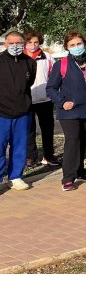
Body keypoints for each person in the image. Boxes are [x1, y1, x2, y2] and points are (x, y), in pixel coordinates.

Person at [45, 31, 86, 191]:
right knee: (72, 141)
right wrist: (62, 102)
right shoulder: (62, 64)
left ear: (84, 44)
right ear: (67, 47)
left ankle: (80, 171)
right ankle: (68, 178)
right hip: (70, 111)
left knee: (83, 140)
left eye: (79, 44)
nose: (76, 47)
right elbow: (50, 88)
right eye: (72, 45)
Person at [0, 31, 36, 190]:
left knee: (20, 146)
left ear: (23, 43)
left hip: (23, 112)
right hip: (1, 113)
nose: (15, 46)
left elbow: (30, 82)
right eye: (11, 43)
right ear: (5, 44)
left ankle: (16, 177)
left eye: (18, 43)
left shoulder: (29, 62)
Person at [23, 30, 59, 167]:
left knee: (48, 128)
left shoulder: (48, 57)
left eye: (36, 42)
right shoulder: (21, 58)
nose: (33, 45)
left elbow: (54, 77)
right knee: (28, 129)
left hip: (45, 100)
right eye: (30, 42)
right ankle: (30, 157)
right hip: (26, 100)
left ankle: (49, 156)